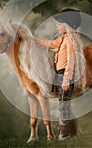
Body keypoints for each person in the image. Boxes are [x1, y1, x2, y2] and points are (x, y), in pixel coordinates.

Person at [34, 8, 84, 140]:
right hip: (60, 75)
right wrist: (35, 40)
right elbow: (50, 44)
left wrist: (66, 80)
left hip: (66, 75)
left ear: (67, 24)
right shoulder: (63, 39)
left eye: (60, 23)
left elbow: (71, 61)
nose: (57, 25)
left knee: (63, 104)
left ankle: (65, 133)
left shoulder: (70, 41)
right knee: (64, 103)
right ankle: (71, 131)